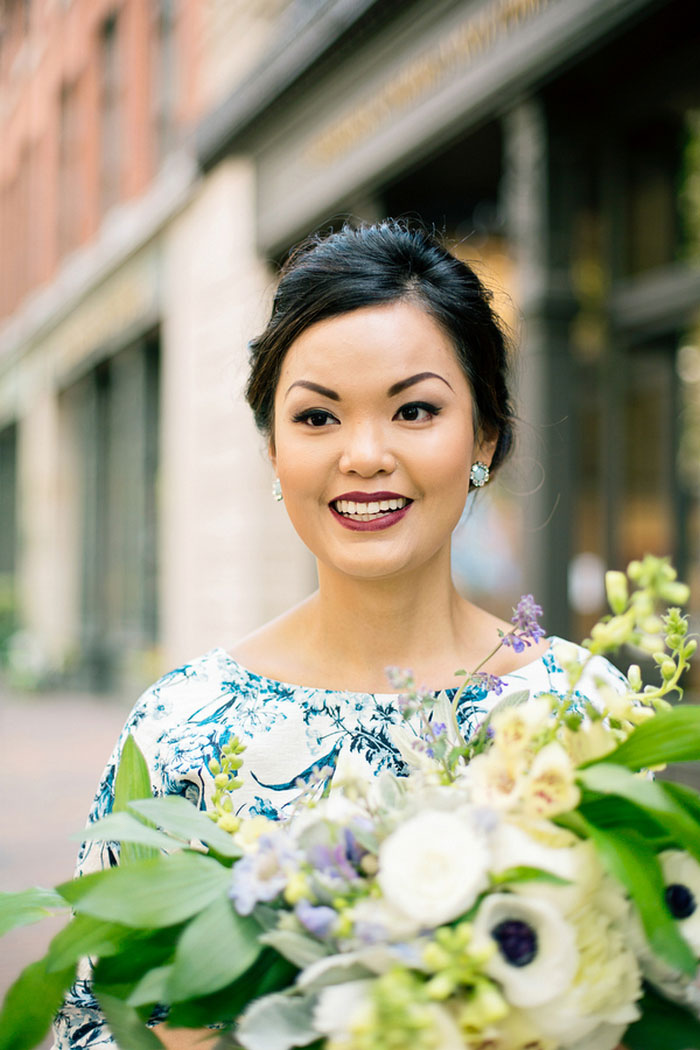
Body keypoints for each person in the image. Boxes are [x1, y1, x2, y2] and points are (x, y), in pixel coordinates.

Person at [52, 220, 627, 1049]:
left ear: (485, 437)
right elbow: (94, 1021)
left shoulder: (579, 712)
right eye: (318, 418)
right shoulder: (180, 730)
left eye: (415, 410)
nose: (364, 455)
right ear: (274, 449)